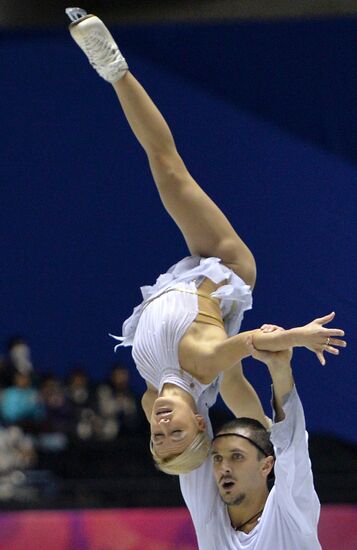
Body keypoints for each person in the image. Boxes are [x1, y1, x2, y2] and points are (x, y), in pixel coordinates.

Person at [66, 9, 346, 474]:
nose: (161, 426)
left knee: (232, 385)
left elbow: (224, 385)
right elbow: (257, 341)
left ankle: (276, 449)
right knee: (168, 169)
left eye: (158, 437)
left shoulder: (153, 395)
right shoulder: (203, 360)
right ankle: (114, 68)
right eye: (176, 432)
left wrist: (228, 444)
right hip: (229, 266)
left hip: (191, 299)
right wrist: (303, 336)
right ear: (199, 422)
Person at [180, 337, 323, 549]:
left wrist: (280, 367)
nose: (224, 467)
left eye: (236, 457)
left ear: (266, 465)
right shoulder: (208, 512)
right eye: (217, 458)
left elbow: (291, 444)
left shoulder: (291, 510)